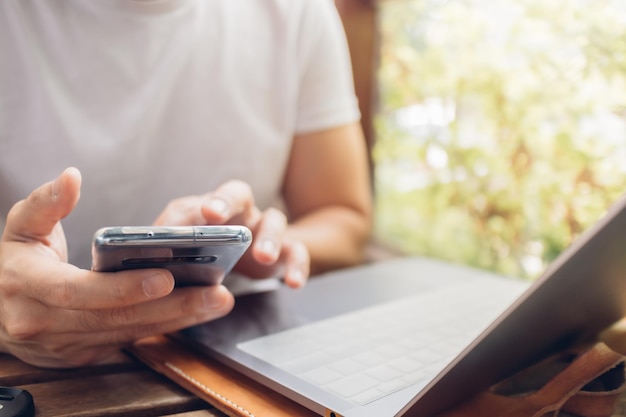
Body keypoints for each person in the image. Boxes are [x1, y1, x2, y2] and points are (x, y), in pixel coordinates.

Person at [0, 0, 373, 368]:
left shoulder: (298, 12)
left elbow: (343, 217)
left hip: (233, 354)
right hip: (30, 375)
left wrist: (273, 248)